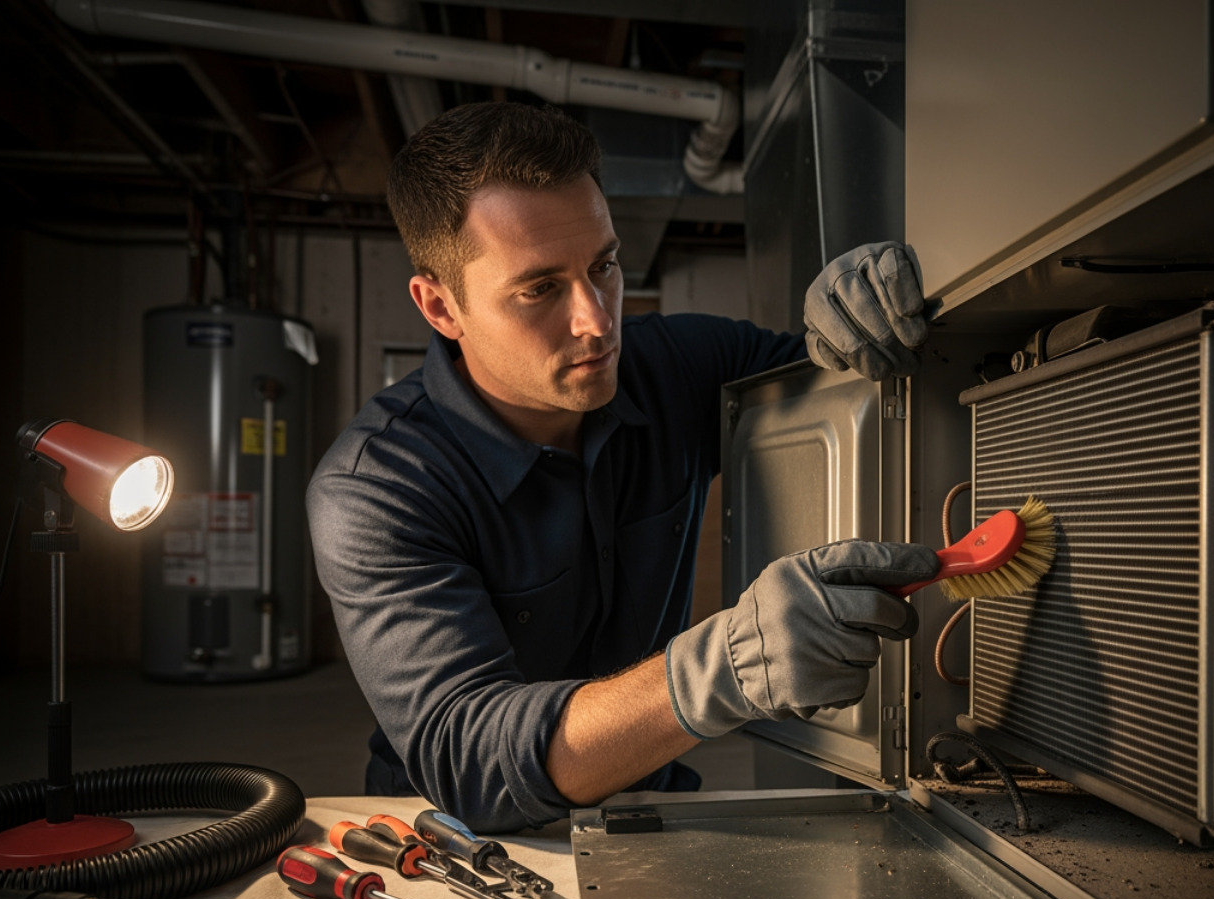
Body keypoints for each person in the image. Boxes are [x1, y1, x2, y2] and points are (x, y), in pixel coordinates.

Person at [307, 102, 939, 832]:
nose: (598, 320)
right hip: (459, 845)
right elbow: (469, 756)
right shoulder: (375, 488)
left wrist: (859, 308)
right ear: (441, 307)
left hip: (651, 807)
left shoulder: (678, 364)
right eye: (539, 288)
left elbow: (836, 375)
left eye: (603, 266)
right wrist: (722, 670)